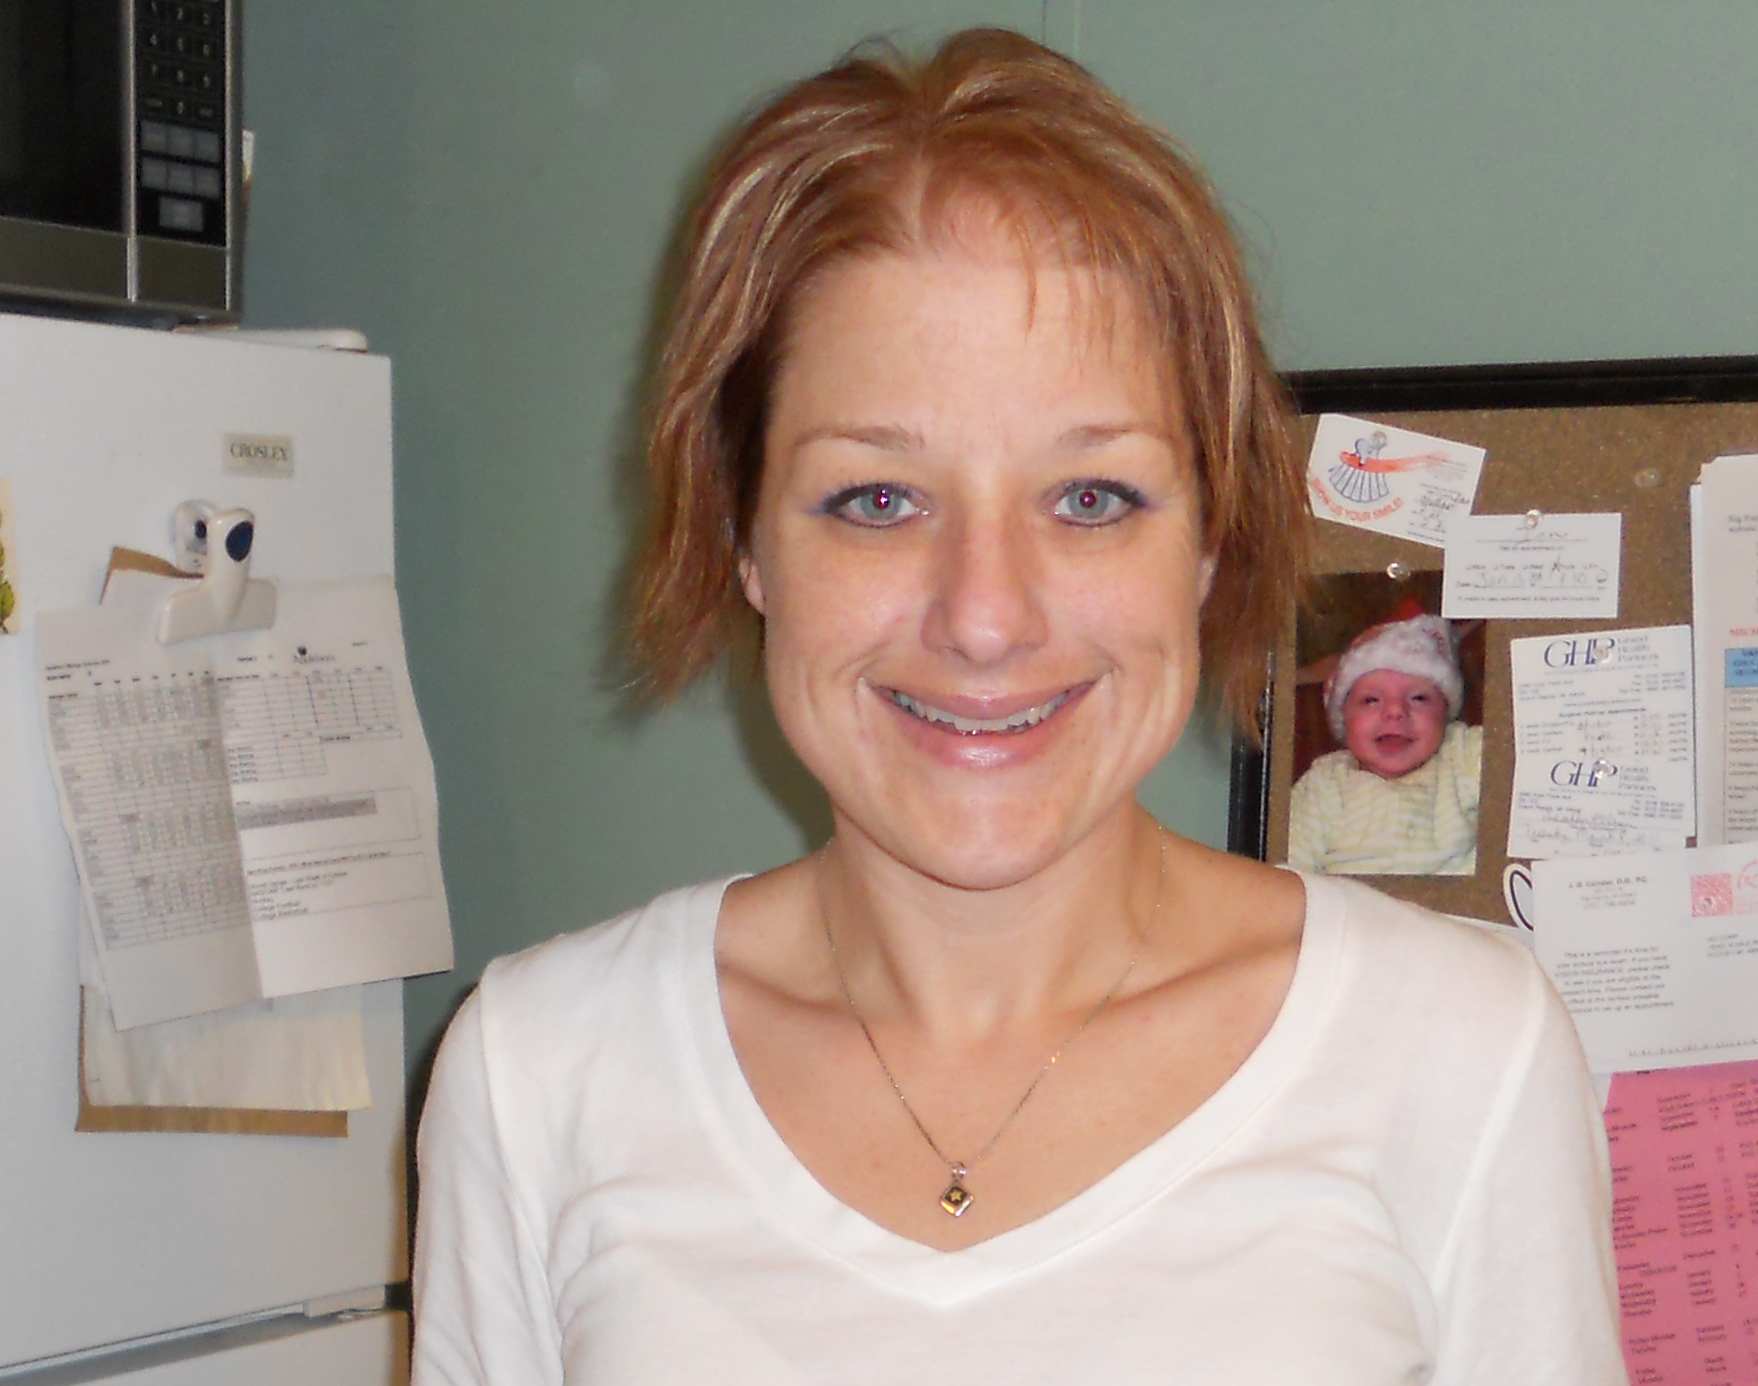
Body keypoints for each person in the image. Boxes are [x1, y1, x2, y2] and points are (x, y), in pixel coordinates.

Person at [412, 29, 1623, 1385]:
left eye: (1090, 497)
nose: (984, 616)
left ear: (1208, 542)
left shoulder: (1458, 1054)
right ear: (746, 540)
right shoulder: (537, 1073)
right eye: (878, 498)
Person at [1287, 613, 1484, 876]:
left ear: (1445, 716)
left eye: (1419, 698)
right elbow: (1290, 872)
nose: (1395, 711)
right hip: (1352, 900)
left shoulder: (1460, 753)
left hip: (1454, 899)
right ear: (1344, 720)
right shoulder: (1324, 782)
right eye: (1370, 700)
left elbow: (1520, 758)